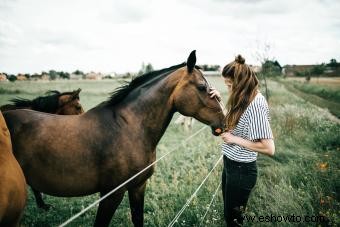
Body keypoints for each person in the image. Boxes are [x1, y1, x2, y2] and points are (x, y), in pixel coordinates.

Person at [209, 55, 275, 226]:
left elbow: (269, 148)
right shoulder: (244, 98)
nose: (228, 88)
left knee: (234, 221)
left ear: (239, 82)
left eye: (229, 85)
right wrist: (220, 101)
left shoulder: (256, 104)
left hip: (242, 170)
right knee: (229, 215)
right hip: (230, 164)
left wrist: (234, 139)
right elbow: (235, 123)